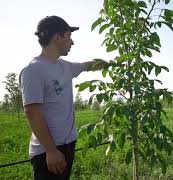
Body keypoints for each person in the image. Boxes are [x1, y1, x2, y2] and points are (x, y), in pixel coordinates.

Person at [19, 15, 111, 180]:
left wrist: (113, 64)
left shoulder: (64, 66)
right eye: (69, 36)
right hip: (49, 151)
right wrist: (51, 151)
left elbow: (87, 65)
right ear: (57, 37)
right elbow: (32, 113)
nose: (72, 42)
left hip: (67, 145)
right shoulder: (34, 70)